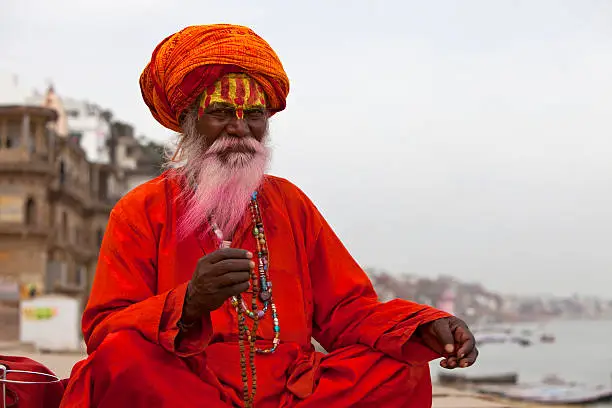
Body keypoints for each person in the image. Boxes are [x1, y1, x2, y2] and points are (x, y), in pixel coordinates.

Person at [59, 24, 478, 408]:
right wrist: (186, 305)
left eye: (254, 114)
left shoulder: (290, 204)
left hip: (292, 395)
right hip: (188, 389)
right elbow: (104, 331)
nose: (239, 128)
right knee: (120, 359)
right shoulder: (142, 210)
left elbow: (349, 310)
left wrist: (424, 326)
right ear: (189, 121)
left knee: (400, 365)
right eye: (221, 112)